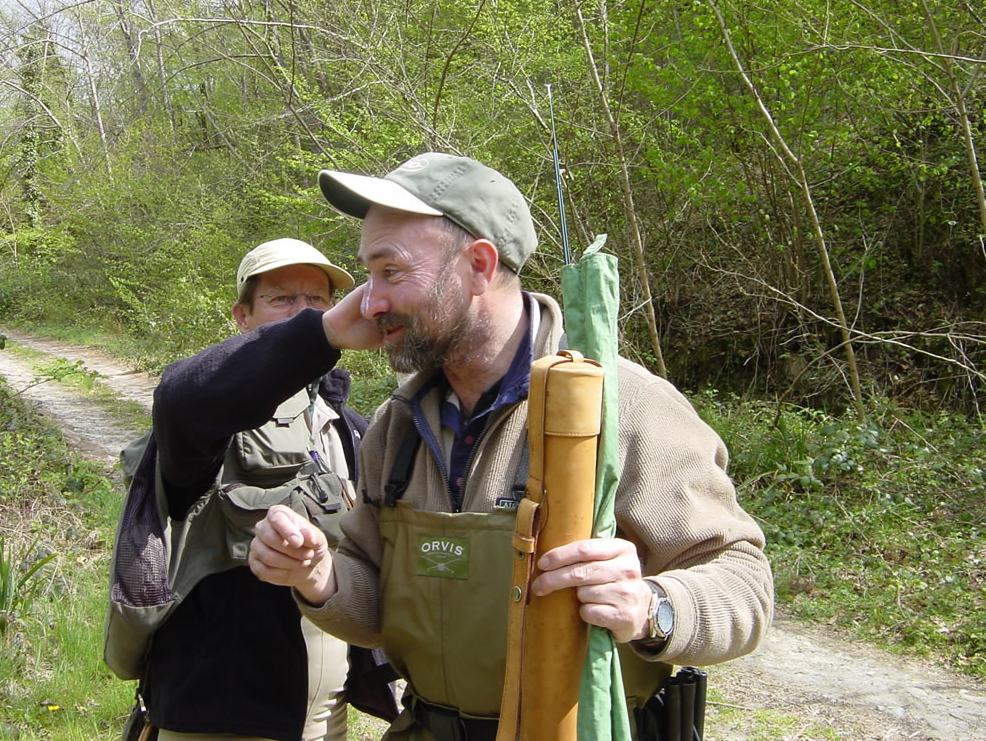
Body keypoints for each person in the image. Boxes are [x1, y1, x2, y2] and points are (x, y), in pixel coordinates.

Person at [248, 154, 775, 739]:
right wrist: (319, 576)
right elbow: (378, 607)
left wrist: (653, 606)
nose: (369, 304)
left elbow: (744, 585)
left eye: (391, 272)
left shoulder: (622, 405)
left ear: (478, 265)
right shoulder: (397, 426)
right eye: (369, 276)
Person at [144, 238, 396, 741]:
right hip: (220, 715)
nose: (302, 312)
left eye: (316, 299)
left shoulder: (348, 425)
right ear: (242, 316)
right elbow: (179, 400)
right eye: (281, 299)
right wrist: (320, 333)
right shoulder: (210, 420)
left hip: (324, 716)